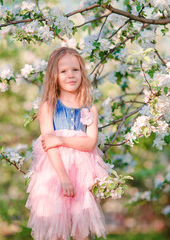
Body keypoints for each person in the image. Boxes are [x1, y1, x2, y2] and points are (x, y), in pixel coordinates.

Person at [25, 47, 110, 240]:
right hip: (56, 174)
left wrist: (61, 138)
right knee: (58, 229)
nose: (70, 75)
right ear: (54, 75)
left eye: (75, 70)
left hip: (82, 174)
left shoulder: (90, 107)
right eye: (63, 71)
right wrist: (63, 177)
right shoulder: (48, 106)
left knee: (81, 230)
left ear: (82, 72)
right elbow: (49, 145)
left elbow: (90, 143)